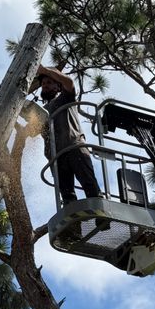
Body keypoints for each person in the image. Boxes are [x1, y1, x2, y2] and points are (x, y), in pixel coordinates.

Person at [30, 65, 103, 205]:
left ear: (58, 87)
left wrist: (45, 70)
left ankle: (100, 213)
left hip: (73, 147)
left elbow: (69, 83)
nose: (45, 85)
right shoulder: (42, 111)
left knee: (89, 184)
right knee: (67, 195)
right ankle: (74, 226)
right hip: (56, 156)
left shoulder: (65, 97)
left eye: (49, 83)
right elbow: (31, 131)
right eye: (43, 83)